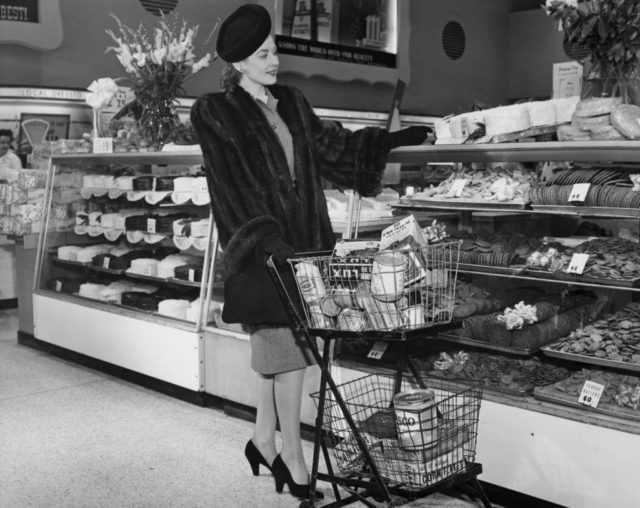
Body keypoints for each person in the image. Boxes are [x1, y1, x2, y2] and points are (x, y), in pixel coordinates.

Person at [190, 4, 429, 501]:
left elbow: (332, 148)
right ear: (237, 64)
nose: (273, 60)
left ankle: (261, 438)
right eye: (263, 54)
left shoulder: (292, 101)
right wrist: (265, 240)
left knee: (284, 350)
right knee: (291, 355)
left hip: (307, 251)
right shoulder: (214, 112)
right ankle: (294, 460)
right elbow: (229, 187)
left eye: (274, 50)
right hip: (263, 249)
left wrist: (394, 140)